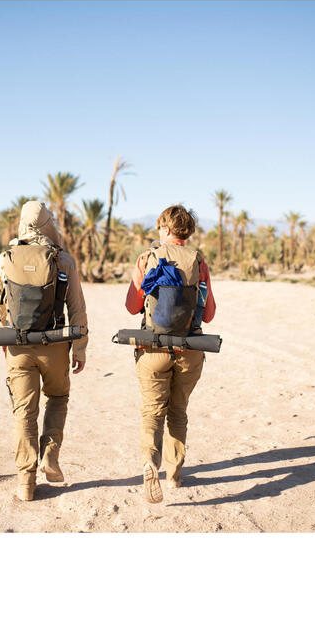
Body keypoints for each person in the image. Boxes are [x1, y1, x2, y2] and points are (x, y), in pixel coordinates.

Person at [0, 201, 88, 501]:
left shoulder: (5, 257)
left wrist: (3, 339)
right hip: (55, 345)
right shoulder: (64, 261)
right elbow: (77, 308)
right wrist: (80, 347)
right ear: (48, 225)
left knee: (24, 412)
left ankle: (25, 482)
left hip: (18, 347)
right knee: (58, 397)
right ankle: (50, 454)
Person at [124, 204, 216, 503]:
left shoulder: (148, 258)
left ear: (164, 229)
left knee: (152, 412)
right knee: (178, 413)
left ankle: (150, 461)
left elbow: (132, 307)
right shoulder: (199, 262)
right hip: (190, 349)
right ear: (187, 231)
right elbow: (210, 313)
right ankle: (174, 475)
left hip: (153, 348)